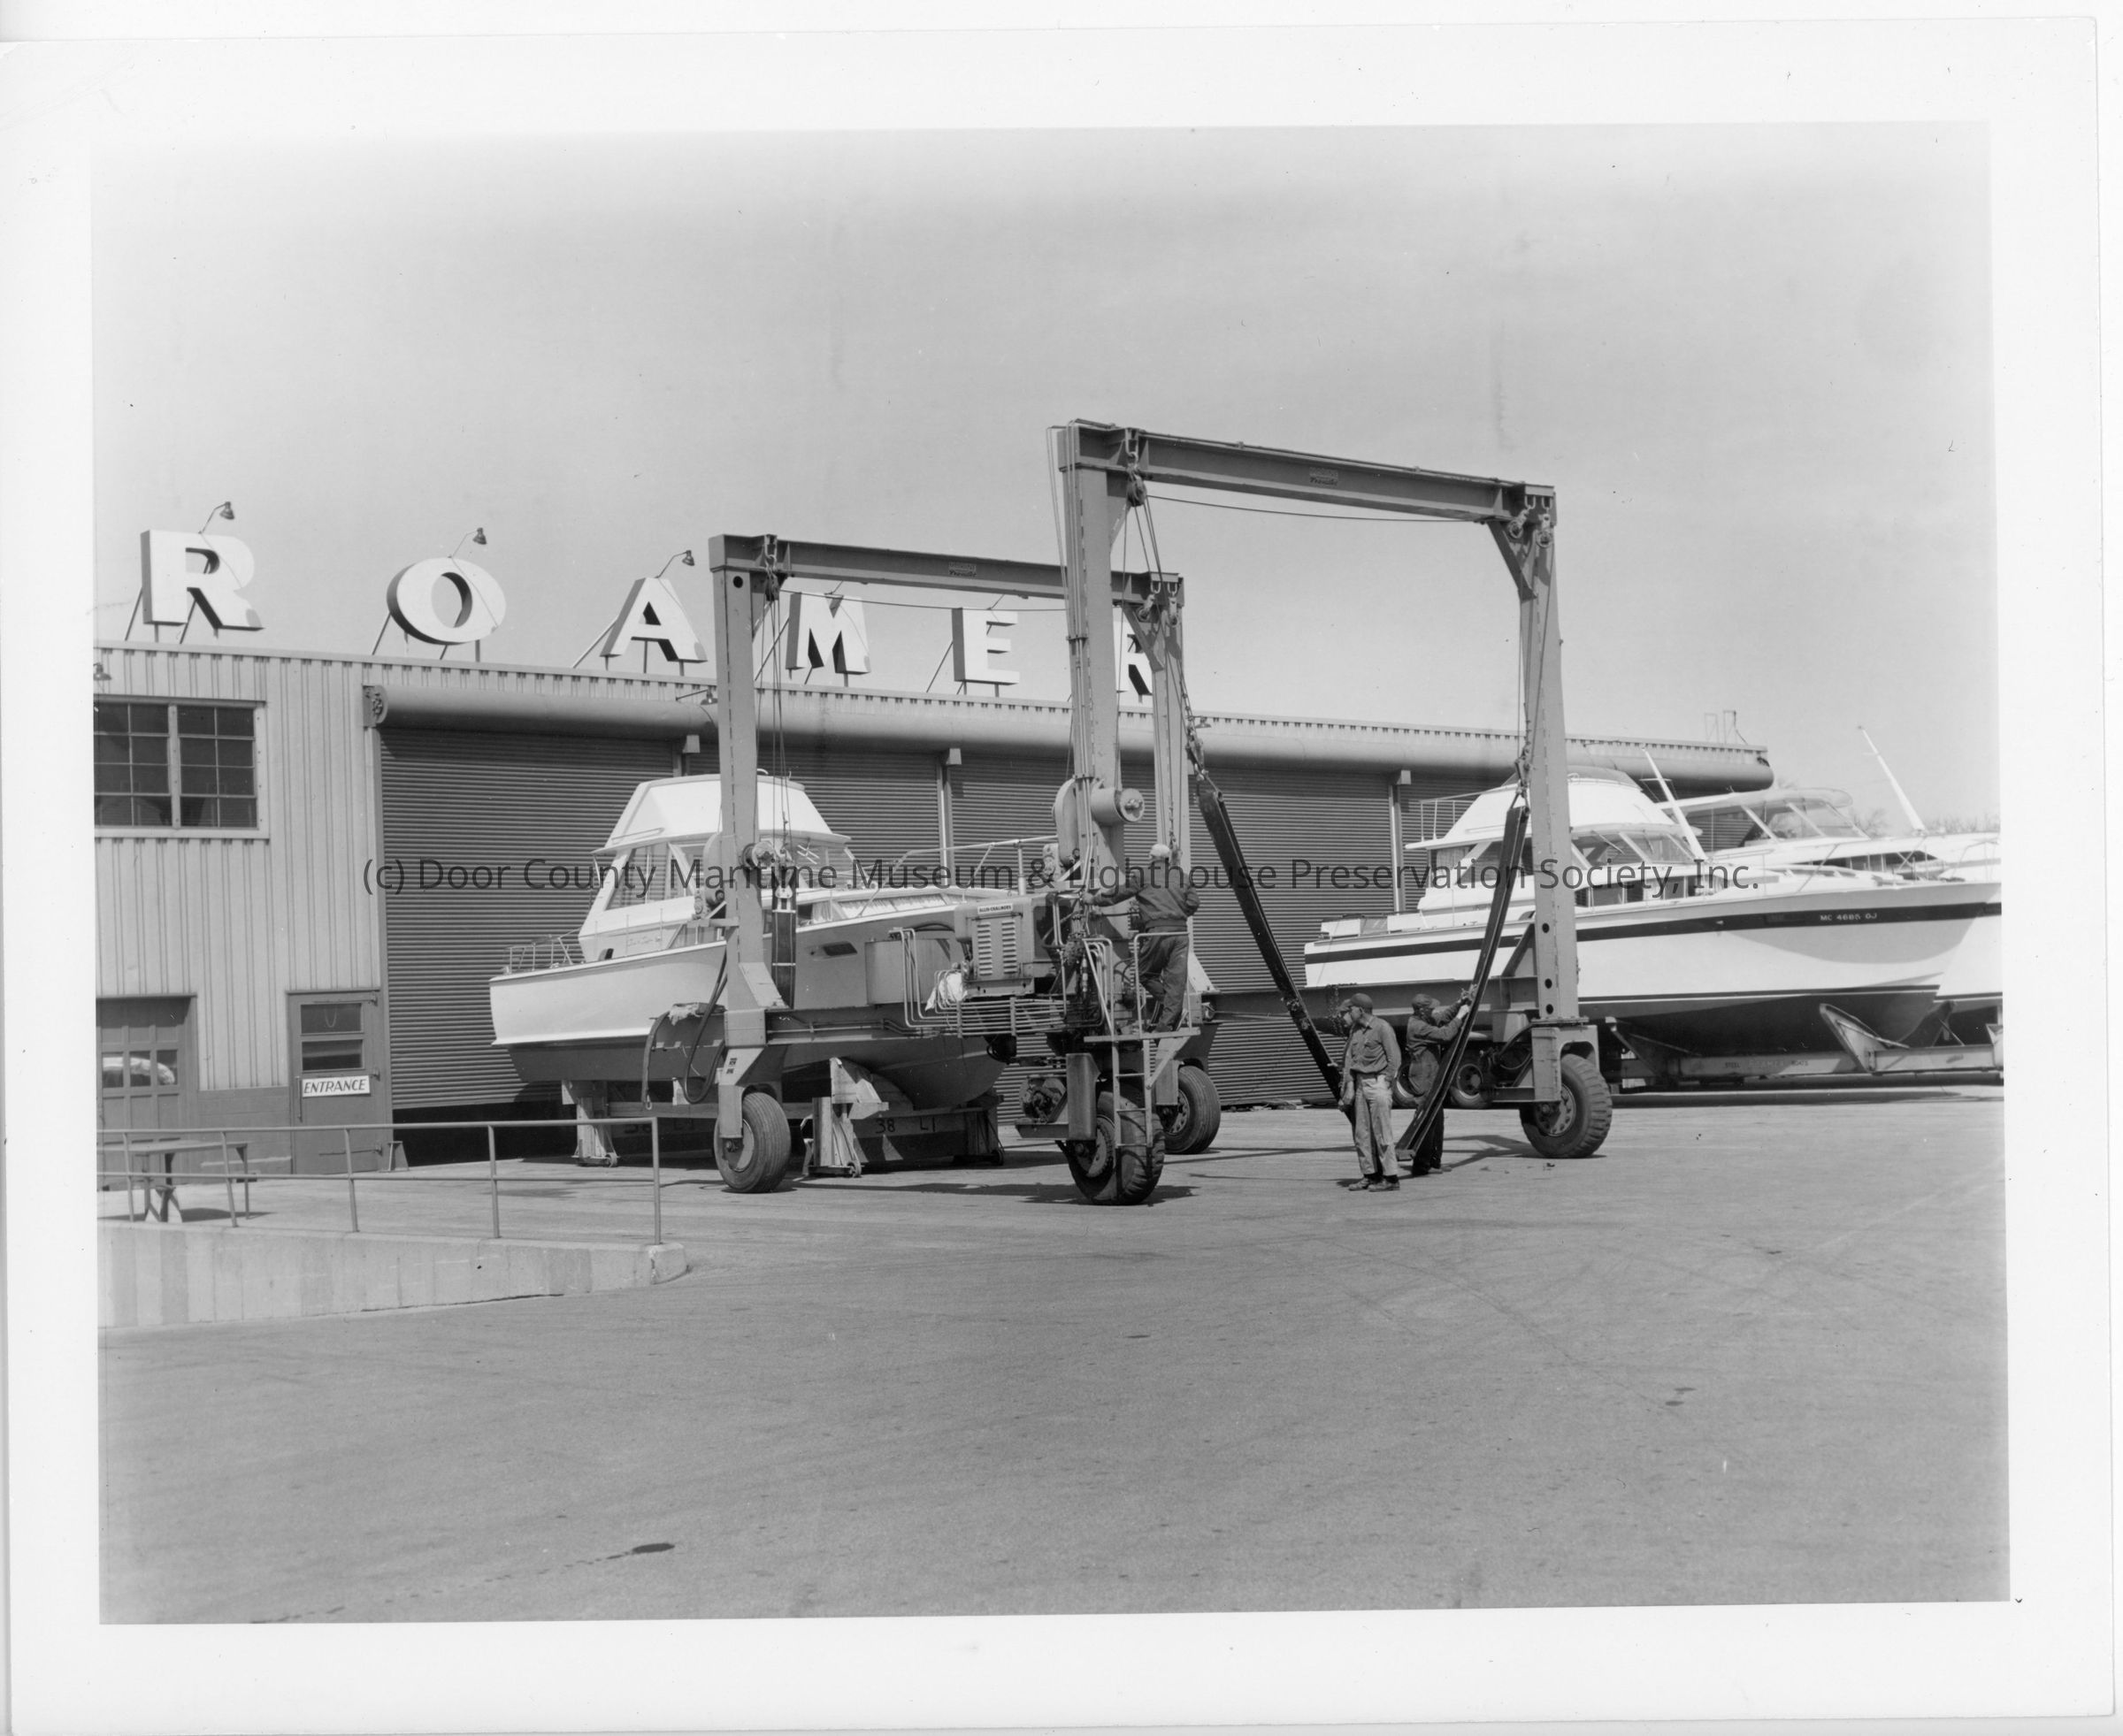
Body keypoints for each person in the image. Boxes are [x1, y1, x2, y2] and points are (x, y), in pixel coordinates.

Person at [1089, 848, 1200, 1030]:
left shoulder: (1143, 875)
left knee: (1144, 974)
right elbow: (1194, 903)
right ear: (1167, 859)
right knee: (1176, 981)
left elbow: (1119, 893)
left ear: (1151, 858)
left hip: (1157, 934)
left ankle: (1171, 1009)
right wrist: (1178, 915)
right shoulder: (1183, 876)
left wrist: (1094, 899)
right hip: (1181, 934)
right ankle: (1168, 1020)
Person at [1399, 990, 1472, 1175]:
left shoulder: (1424, 1019)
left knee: (1437, 1122)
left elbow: (1443, 1017)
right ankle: (1421, 1165)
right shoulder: (1417, 1026)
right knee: (1426, 1121)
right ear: (1422, 1010)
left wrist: (1459, 1003)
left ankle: (1433, 1162)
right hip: (1423, 1078)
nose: (1433, 1011)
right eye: (1430, 1009)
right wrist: (1461, 1015)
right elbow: (1445, 1034)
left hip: (1431, 1076)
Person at [1337, 992, 1403, 1190]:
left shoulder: (1382, 1028)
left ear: (1361, 1010)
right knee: (1361, 1134)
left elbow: (1395, 1059)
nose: (1349, 1012)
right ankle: (1370, 1175)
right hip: (1360, 1085)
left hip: (1377, 1083)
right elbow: (1350, 1061)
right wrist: (1349, 1086)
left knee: (1382, 1132)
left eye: (1351, 1009)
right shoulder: (1355, 1031)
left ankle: (1391, 1178)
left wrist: (1386, 1081)